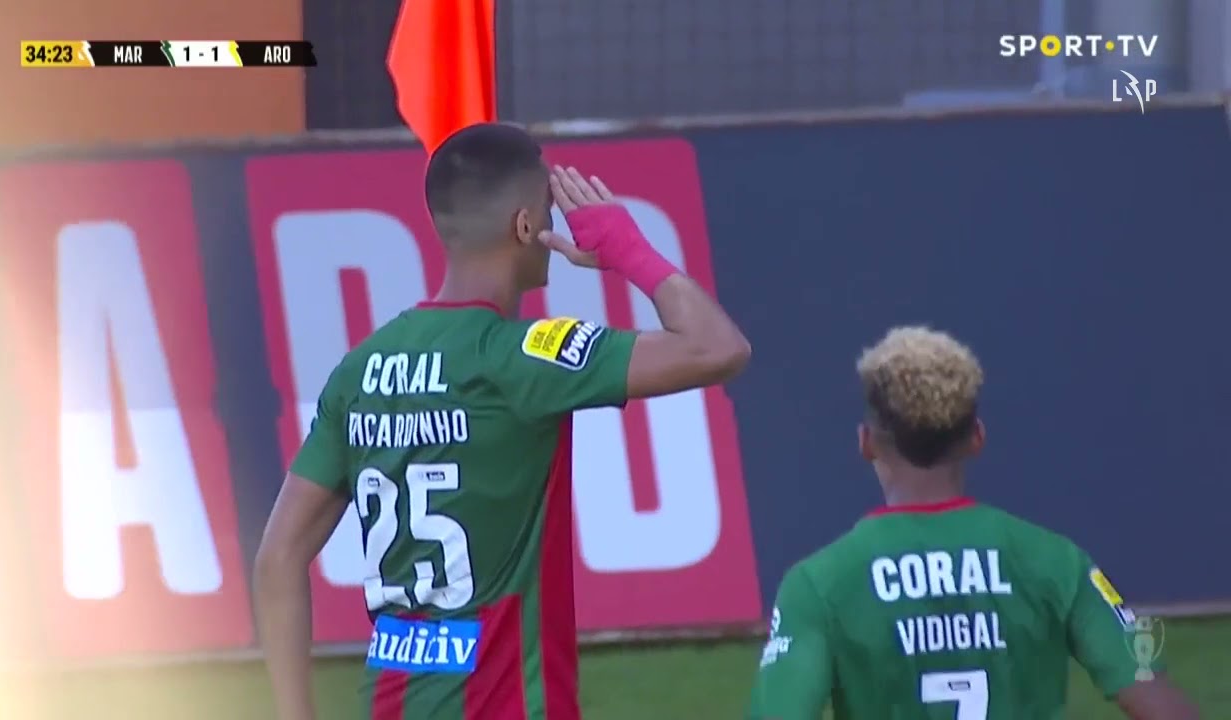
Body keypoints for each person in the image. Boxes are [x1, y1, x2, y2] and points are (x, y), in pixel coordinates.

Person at [253, 122, 751, 720]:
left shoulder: (360, 370)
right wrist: (626, 250)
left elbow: (278, 557)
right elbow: (717, 347)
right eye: (548, 211)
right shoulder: (522, 357)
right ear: (524, 226)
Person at [747, 327, 1199, 720]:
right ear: (977, 437)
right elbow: (1160, 702)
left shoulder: (818, 585)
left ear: (866, 443)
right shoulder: (1059, 562)